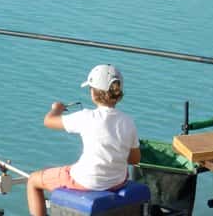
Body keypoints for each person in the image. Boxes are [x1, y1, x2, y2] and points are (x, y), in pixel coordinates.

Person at [27, 64, 141, 216]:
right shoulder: (128, 121)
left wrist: (57, 108)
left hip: (86, 181)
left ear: (93, 93)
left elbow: (48, 121)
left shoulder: (86, 117)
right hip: (117, 182)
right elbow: (134, 159)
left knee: (33, 180)